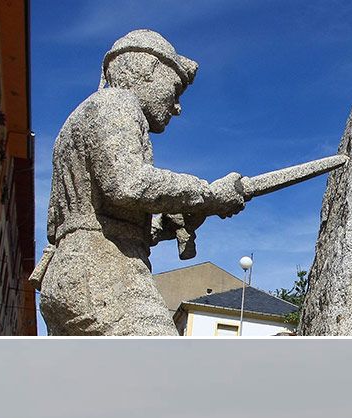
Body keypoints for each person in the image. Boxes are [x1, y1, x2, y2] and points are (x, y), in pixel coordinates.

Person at [35, 30, 246, 335]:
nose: (177, 106)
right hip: (104, 270)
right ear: (147, 71)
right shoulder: (117, 102)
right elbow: (128, 183)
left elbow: (110, 211)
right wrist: (208, 194)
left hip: (71, 270)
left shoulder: (79, 119)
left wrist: (170, 222)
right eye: (175, 89)